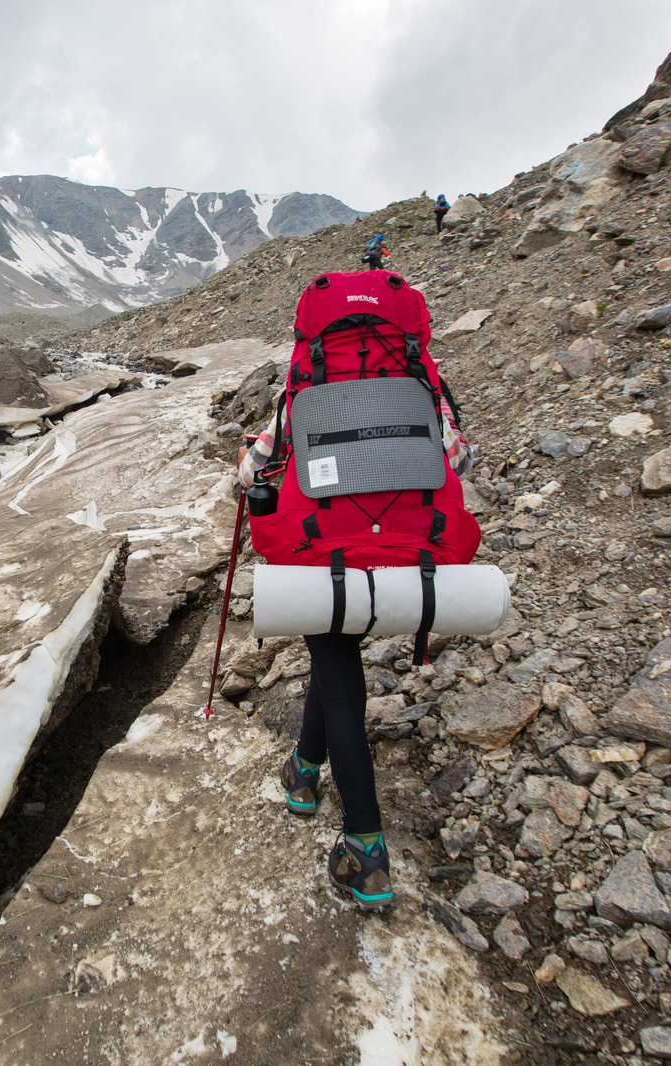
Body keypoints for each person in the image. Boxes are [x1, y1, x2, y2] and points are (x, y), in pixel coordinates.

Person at [237, 258, 479, 912]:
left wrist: (252, 467)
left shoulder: (307, 373)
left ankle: (365, 851)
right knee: (332, 658)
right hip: (414, 543)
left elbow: (264, 458)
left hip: (326, 547)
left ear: (313, 332)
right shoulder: (417, 373)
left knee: (336, 664)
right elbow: (459, 458)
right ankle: (304, 772)